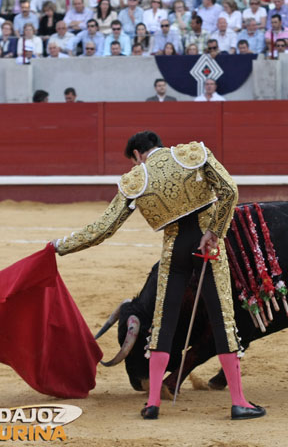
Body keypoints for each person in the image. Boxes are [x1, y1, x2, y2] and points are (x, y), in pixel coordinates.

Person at [54, 131, 264, 421]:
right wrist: (213, 232)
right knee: (222, 320)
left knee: (164, 321)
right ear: (158, 145)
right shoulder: (192, 154)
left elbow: (104, 227)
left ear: (138, 154)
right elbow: (229, 191)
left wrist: (60, 246)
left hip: (174, 249)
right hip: (208, 246)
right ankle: (239, 402)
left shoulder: (136, 179)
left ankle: (152, 403)